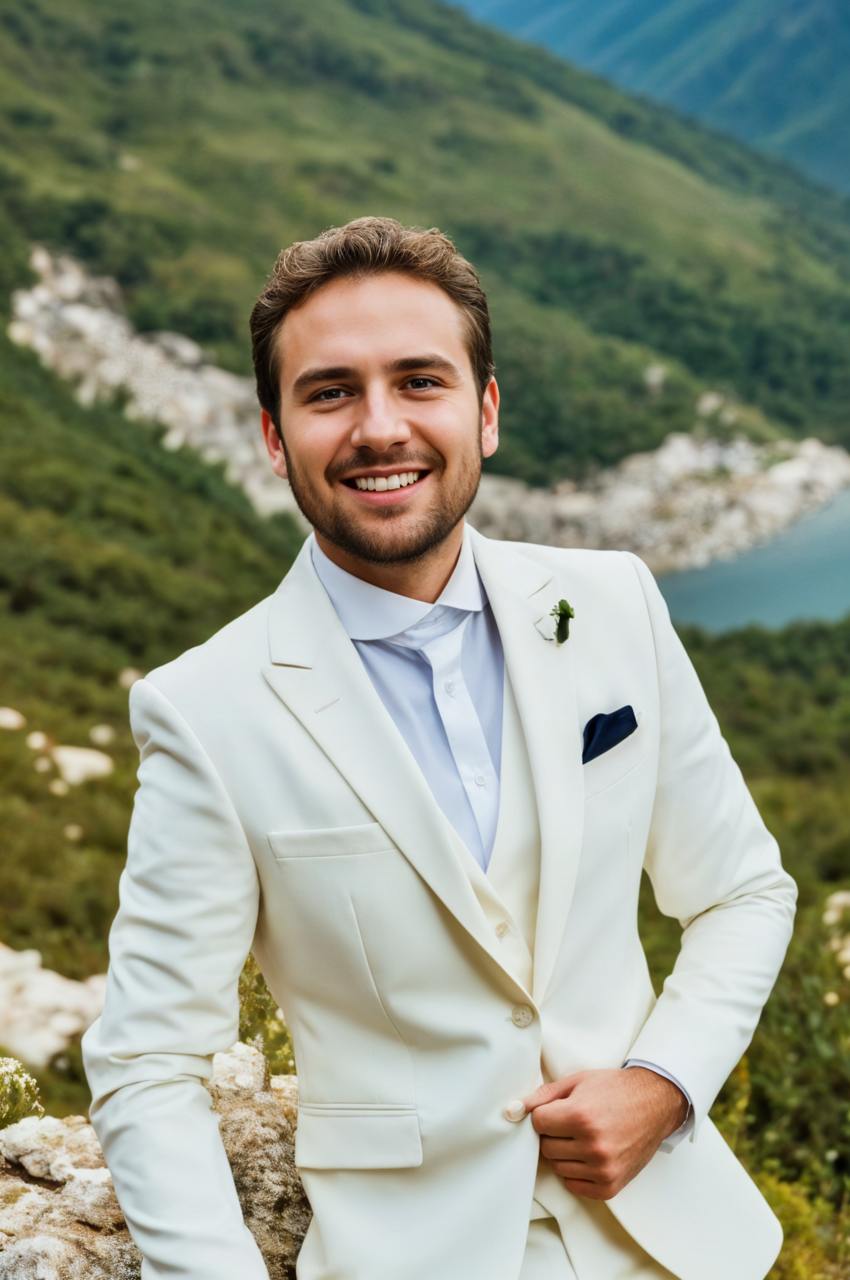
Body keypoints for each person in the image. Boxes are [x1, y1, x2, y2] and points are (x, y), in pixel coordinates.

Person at [81, 215, 797, 1280]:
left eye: (421, 381)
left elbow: (741, 889)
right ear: (274, 436)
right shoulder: (206, 709)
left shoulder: (612, 603)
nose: (380, 427)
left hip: (678, 1242)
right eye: (329, 392)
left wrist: (661, 1081)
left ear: (485, 410)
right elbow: (146, 1061)